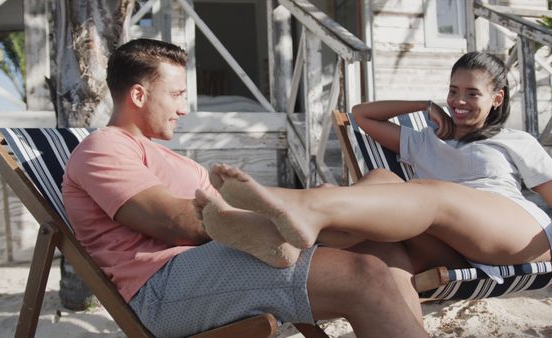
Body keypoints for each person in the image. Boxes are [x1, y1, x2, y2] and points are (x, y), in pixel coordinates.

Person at [194, 51, 552, 324]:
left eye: (472, 93)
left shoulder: (514, 141)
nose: (459, 100)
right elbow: (361, 115)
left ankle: (298, 204)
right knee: (381, 204)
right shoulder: (422, 138)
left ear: (498, 99)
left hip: (517, 235)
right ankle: (272, 235)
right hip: (445, 241)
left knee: (427, 191)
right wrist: (422, 107)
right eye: (453, 91)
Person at [62, 38, 428, 338]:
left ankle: (317, 213)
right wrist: (284, 213)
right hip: (162, 289)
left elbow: (226, 222)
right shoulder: (104, 147)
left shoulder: (182, 163)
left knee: (379, 233)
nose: (184, 108)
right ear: (139, 96)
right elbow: (175, 222)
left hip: (214, 264)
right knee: (363, 276)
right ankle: (310, 214)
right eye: (176, 94)